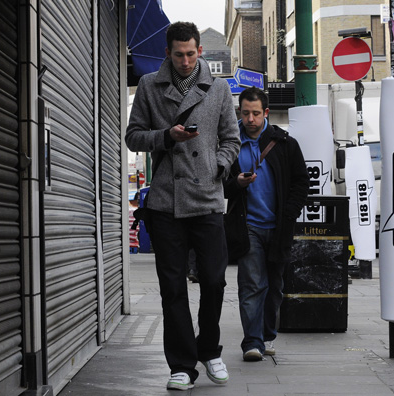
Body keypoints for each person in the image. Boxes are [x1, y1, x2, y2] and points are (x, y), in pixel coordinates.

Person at [125, 22, 240, 391]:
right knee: (172, 287)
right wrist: (165, 137)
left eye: (192, 53)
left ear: (200, 51)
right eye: (179, 54)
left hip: (206, 198)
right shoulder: (148, 86)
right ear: (167, 53)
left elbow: (231, 139)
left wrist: (217, 166)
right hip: (165, 202)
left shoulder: (219, 88)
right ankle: (182, 365)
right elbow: (133, 136)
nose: (186, 60)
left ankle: (209, 350)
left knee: (214, 280)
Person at [223, 87, 309, 362]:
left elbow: (301, 182)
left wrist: (290, 213)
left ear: (266, 113)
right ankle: (252, 342)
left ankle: (267, 334)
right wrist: (236, 184)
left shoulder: (284, 143)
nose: (250, 119)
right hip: (247, 225)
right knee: (251, 284)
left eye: (256, 114)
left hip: (279, 226)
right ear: (239, 111)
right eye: (245, 113)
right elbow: (217, 184)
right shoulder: (229, 143)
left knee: (275, 286)